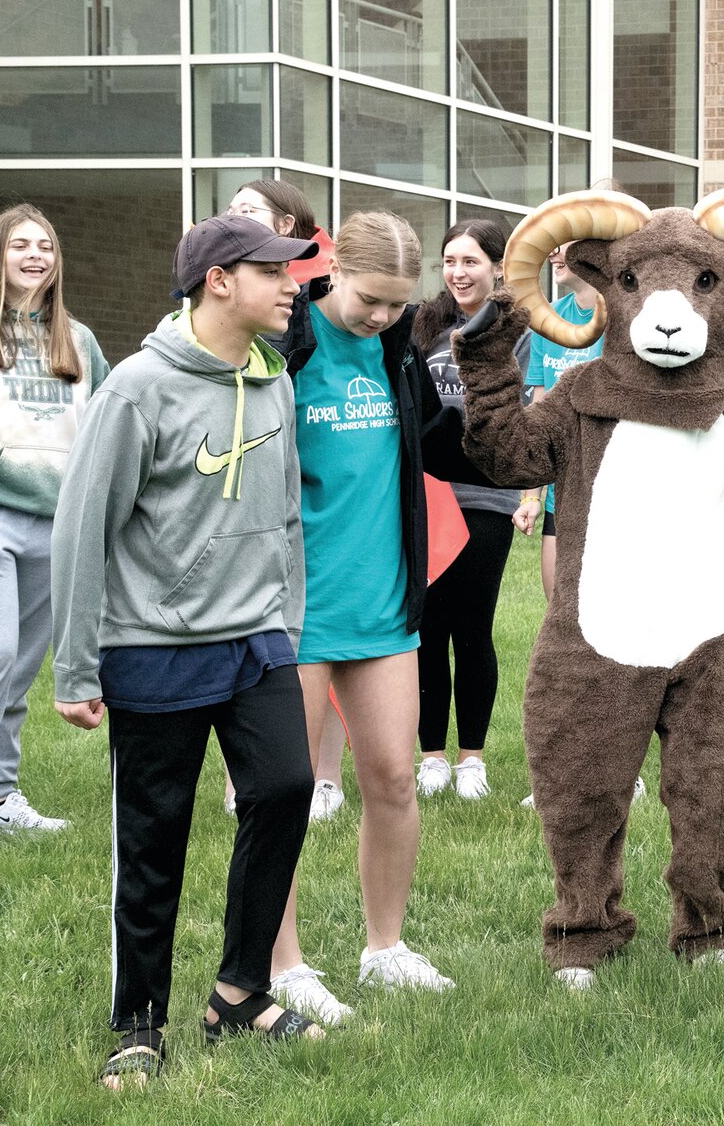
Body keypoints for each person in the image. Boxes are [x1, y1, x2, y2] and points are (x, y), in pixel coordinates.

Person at [50, 214, 324, 1089]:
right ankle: (138, 1022)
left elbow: (284, 514)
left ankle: (241, 991)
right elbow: (81, 526)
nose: (293, 286)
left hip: (256, 642)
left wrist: (287, 618)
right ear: (218, 281)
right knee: (153, 840)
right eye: (274, 272)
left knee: (286, 789)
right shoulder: (136, 388)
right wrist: (74, 665)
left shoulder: (273, 382)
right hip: (154, 648)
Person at [266, 212, 488, 1024]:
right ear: (331, 273)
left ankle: (384, 948)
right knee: (282, 790)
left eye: (398, 303)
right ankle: (281, 962)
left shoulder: (396, 353)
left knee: (394, 778)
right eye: (370, 299)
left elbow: (441, 446)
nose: (383, 317)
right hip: (290, 609)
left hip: (385, 603)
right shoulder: (283, 347)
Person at [222, 177, 344, 821]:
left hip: (318, 484)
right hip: (248, 483)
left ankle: (324, 775)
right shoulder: (221, 287)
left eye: (252, 209)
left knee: (323, 630)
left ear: (294, 226)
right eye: (232, 209)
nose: (235, 216)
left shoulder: (321, 295)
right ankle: (245, 770)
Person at [0, 206, 108, 835]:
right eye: (19, 246)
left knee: (19, 669)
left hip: (59, 522)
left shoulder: (79, 339)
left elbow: (107, 426)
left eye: (45, 246)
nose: (34, 256)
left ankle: (0, 798)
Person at [412, 217, 536, 800]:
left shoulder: (518, 329)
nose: (458, 272)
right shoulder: (425, 326)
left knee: (473, 626)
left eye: (470, 261)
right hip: (430, 495)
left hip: (488, 496)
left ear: (497, 267)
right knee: (428, 628)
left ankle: (472, 760)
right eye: (450, 261)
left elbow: (523, 413)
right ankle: (431, 757)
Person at [524, 241, 605, 600]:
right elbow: (539, 417)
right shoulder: (548, 319)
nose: (552, 253)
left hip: (617, 493)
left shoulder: (627, 317)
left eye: (562, 245)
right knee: (560, 612)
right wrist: (531, 497)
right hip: (564, 492)